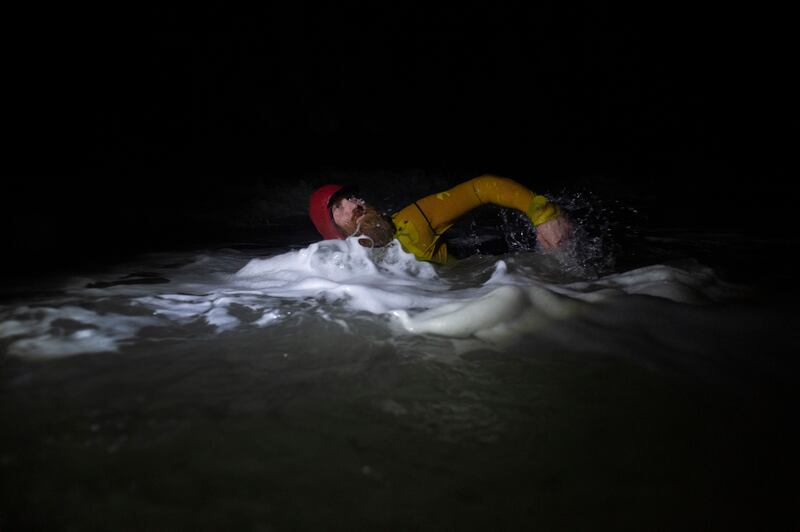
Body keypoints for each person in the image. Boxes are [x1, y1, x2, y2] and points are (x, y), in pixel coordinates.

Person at [308, 174, 573, 264]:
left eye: (352, 198)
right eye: (339, 208)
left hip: (495, 271)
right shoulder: (342, 271)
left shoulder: (412, 220)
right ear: (333, 231)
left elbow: (482, 187)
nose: (355, 204)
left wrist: (544, 215)